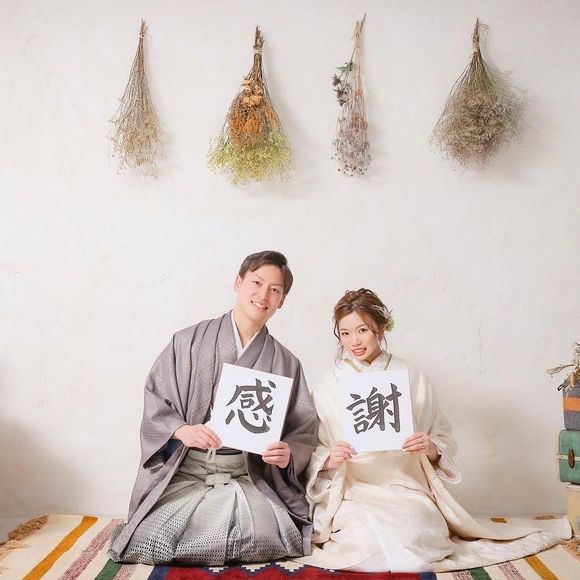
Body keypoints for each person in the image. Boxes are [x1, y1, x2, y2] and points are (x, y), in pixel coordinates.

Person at [297, 288, 570, 572]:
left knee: (416, 544)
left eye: (362, 330)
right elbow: (314, 447)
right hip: (353, 490)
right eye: (345, 333)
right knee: (363, 543)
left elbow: (441, 435)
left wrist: (430, 448)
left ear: (381, 328)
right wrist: (329, 458)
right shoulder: (329, 385)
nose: (354, 341)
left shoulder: (411, 376)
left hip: (405, 485)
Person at [108, 251, 319, 566]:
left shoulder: (286, 362)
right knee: (152, 539)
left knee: (268, 538)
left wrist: (287, 453)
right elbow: (157, 399)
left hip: (247, 475)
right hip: (188, 471)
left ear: (282, 301)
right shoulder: (187, 342)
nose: (263, 295)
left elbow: (303, 429)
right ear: (238, 282)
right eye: (256, 283)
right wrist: (182, 431)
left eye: (274, 290)